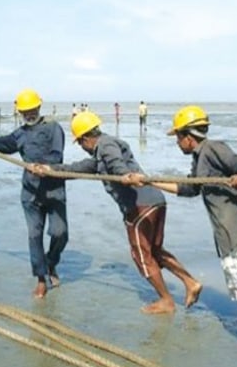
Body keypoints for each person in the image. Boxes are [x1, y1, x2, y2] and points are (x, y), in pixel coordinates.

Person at [141, 105, 237, 356]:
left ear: (188, 136)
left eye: (178, 137)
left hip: (236, 231)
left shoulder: (212, 148)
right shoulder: (200, 159)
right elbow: (189, 189)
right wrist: (149, 180)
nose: (177, 143)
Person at [32, 111, 202, 314]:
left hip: (139, 206)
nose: (81, 147)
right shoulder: (100, 154)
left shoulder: (106, 145)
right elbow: (76, 168)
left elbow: (117, 165)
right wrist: (48, 169)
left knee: (141, 256)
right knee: (155, 251)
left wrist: (125, 175)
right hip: (154, 201)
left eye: (80, 143)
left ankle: (166, 300)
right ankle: (190, 282)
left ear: (86, 138)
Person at [0, 88, 68, 298]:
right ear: (20, 112)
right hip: (30, 194)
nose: (29, 114)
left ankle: (51, 263)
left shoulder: (54, 128)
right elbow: (2, 144)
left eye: (32, 109)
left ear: (39, 107)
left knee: (60, 233)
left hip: (54, 191)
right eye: (25, 111)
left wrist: (44, 166)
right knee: (34, 235)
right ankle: (41, 278)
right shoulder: (20, 133)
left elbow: (57, 154)